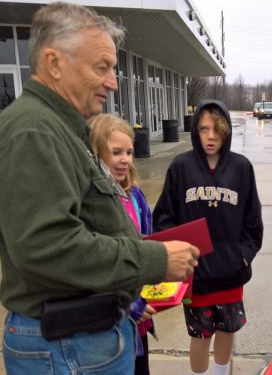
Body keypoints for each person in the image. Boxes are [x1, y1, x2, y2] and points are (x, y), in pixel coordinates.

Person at [0, 1, 199, 374]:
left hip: (80, 341)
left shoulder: (58, 128)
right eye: (102, 68)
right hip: (67, 346)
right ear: (54, 64)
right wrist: (155, 260)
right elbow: (47, 248)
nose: (113, 82)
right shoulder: (32, 132)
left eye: (113, 69)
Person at [153, 99, 263, 375]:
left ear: (226, 131)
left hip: (231, 271)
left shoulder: (241, 167)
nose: (210, 136)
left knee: (227, 329)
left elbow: (253, 221)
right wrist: (177, 256)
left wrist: (244, 256)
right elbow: (164, 217)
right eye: (203, 129)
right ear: (195, 131)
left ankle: (220, 373)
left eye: (216, 129)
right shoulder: (181, 166)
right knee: (200, 334)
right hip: (197, 275)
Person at [89, 113, 157, 375]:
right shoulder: (88, 201)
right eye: (116, 152)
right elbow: (94, 265)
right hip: (107, 326)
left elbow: (146, 245)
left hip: (139, 322)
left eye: (129, 152)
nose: (125, 160)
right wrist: (130, 305)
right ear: (95, 152)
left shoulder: (135, 195)